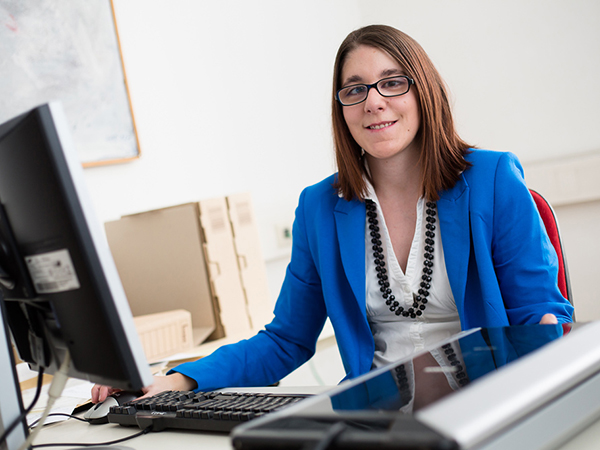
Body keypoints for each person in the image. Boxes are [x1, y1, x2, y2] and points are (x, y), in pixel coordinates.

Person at [92, 24, 574, 404]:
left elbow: (540, 316)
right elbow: (285, 340)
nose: (374, 102)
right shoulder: (320, 208)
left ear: (423, 91)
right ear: (341, 107)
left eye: (392, 83)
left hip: (484, 409)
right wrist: (180, 379)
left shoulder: (491, 179)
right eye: (355, 89)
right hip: (378, 421)